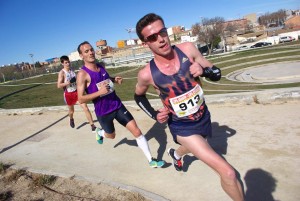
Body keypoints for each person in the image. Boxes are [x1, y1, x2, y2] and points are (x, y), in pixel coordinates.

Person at [134, 13, 244, 200]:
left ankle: (176, 154)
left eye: (162, 32)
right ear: (146, 44)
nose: (160, 39)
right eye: (152, 37)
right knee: (228, 173)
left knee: (199, 145)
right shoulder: (146, 74)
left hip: (203, 116)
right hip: (182, 127)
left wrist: (205, 71)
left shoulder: (188, 49)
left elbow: (216, 73)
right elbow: (138, 97)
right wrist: (154, 115)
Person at [76, 41, 165, 168]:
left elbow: (104, 79)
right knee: (111, 136)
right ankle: (99, 133)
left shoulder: (101, 65)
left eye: (91, 49)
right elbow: (81, 99)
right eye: (86, 51)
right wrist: (99, 92)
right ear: (81, 56)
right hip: (103, 112)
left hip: (117, 105)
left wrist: (113, 79)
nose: (90, 52)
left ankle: (151, 160)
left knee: (137, 131)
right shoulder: (82, 74)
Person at [57, 55, 98, 132]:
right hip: (68, 94)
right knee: (71, 111)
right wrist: (69, 82)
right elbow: (59, 85)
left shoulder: (72, 70)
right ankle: (71, 118)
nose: (68, 64)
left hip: (77, 92)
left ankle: (92, 126)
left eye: (68, 62)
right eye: (66, 63)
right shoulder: (62, 73)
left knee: (85, 107)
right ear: (62, 63)